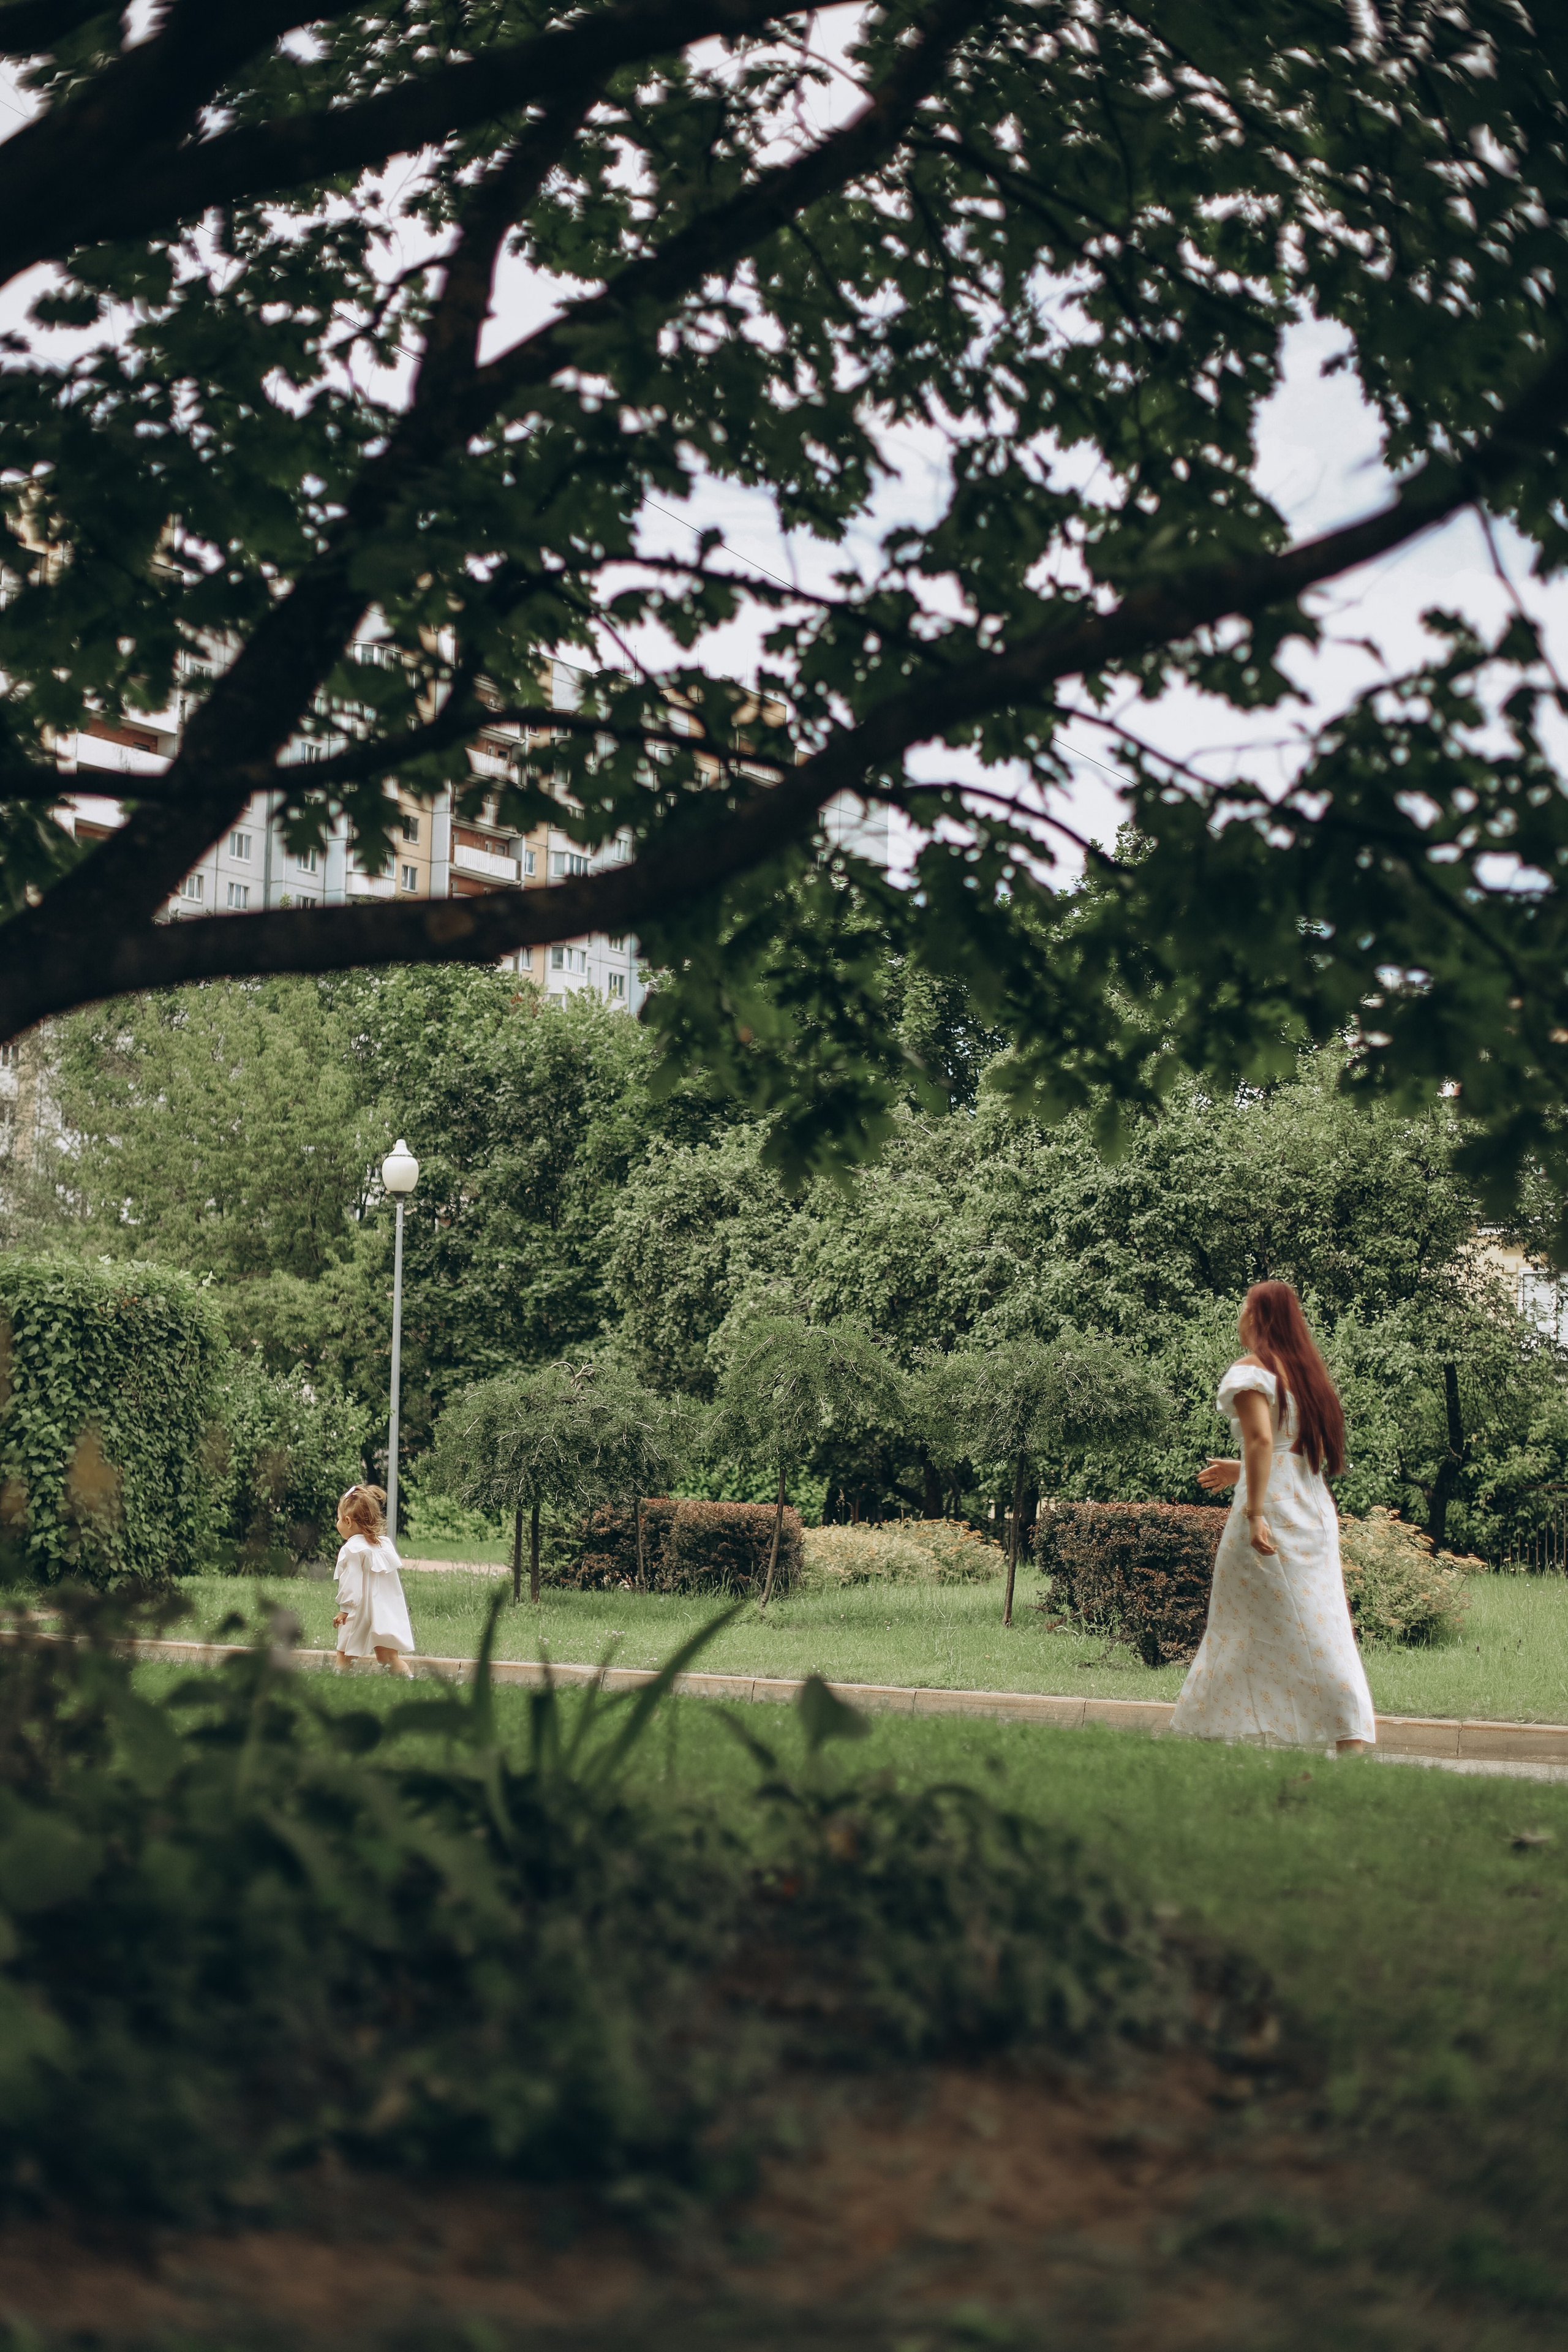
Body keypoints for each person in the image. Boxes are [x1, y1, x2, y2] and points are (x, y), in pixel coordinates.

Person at [1172, 1281, 1375, 1755]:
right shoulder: (1305, 1376)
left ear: (1259, 1318)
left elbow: (1263, 1440)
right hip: (1312, 1508)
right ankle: (1346, 1732)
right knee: (1320, 1623)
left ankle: (1223, 1733)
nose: (1239, 1316)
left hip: (1271, 1514)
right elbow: (1293, 1455)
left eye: (1244, 1307)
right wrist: (1239, 1470)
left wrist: (1255, 1509)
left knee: (1241, 1627)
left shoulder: (1250, 1373)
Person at [332, 1483, 417, 1676]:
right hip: (383, 1613)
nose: (337, 1524)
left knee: (344, 1655)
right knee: (389, 1658)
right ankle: (409, 1681)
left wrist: (344, 1610)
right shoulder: (383, 1545)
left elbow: (351, 1584)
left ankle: (340, 1683)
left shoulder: (352, 1549)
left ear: (347, 1521)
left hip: (359, 1611)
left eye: (338, 1519)